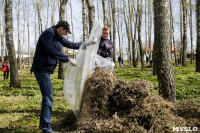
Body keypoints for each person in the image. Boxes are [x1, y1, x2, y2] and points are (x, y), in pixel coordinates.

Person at [31, 20, 82, 133]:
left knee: (47, 97)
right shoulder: (48, 34)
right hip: (41, 69)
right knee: (48, 98)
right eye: (65, 31)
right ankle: (46, 128)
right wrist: (67, 59)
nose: (66, 34)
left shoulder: (58, 36)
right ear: (60, 29)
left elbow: (71, 44)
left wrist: (85, 44)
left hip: (45, 69)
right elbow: (51, 50)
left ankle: (43, 124)